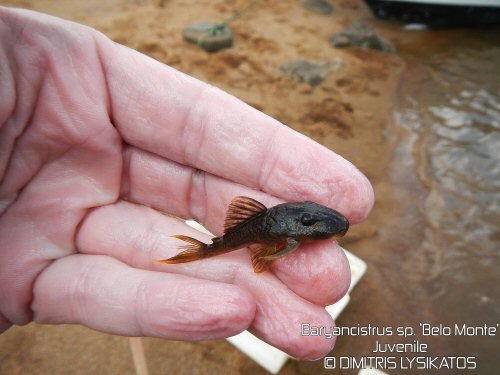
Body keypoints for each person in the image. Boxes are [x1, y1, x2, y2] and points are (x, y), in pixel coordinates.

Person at [0, 7, 373, 360]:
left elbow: (274, 248)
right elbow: (266, 255)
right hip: (257, 228)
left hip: (260, 227)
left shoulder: (293, 230)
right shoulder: (284, 236)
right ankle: (199, 251)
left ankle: (199, 250)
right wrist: (266, 252)